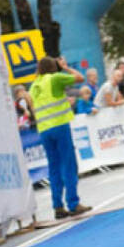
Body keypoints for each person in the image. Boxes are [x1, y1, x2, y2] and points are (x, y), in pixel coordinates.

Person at [28, 55, 91, 220]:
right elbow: (80, 77)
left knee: (54, 168)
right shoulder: (54, 78)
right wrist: (66, 67)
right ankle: (73, 203)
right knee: (68, 164)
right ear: (53, 67)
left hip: (44, 130)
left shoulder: (34, 85)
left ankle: (57, 206)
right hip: (59, 126)